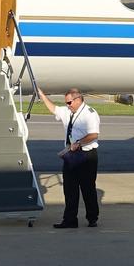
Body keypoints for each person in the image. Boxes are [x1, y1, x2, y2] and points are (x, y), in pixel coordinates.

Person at [39, 86, 101, 228]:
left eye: (69, 102)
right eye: (66, 103)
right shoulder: (68, 111)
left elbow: (94, 135)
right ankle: (70, 219)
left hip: (86, 155)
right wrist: (42, 95)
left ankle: (92, 218)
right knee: (69, 189)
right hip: (71, 155)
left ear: (78, 100)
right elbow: (53, 108)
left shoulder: (89, 114)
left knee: (87, 188)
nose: (67, 105)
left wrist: (79, 143)